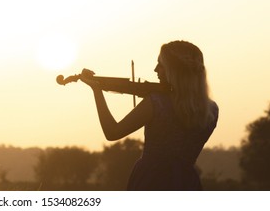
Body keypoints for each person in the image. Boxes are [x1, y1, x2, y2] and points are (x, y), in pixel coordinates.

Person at [80, 40, 219, 190]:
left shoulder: (157, 102)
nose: (155, 70)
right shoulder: (211, 110)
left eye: (161, 65)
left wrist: (97, 91)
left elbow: (112, 132)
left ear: (174, 70)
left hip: (151, 180)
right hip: (186, 182)